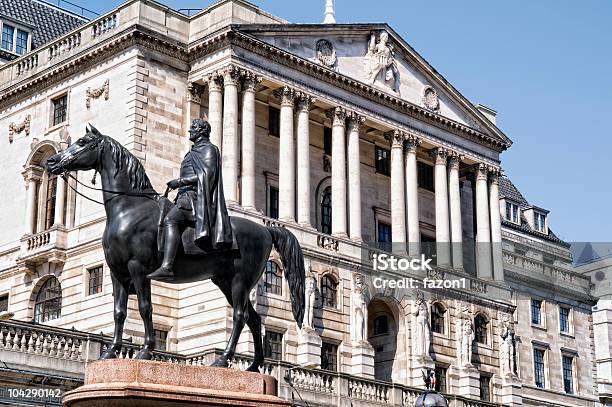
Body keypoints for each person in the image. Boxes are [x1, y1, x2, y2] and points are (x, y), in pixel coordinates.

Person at [147, 118, 234, 280]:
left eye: (193, 128)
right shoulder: (193, 152)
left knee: (170, 220)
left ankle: (167, 267)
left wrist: (180, 181)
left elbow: (207, 175)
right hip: (183, 196)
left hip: (196, 197)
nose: (190, 130)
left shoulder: (209, 150)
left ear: (202, 131)